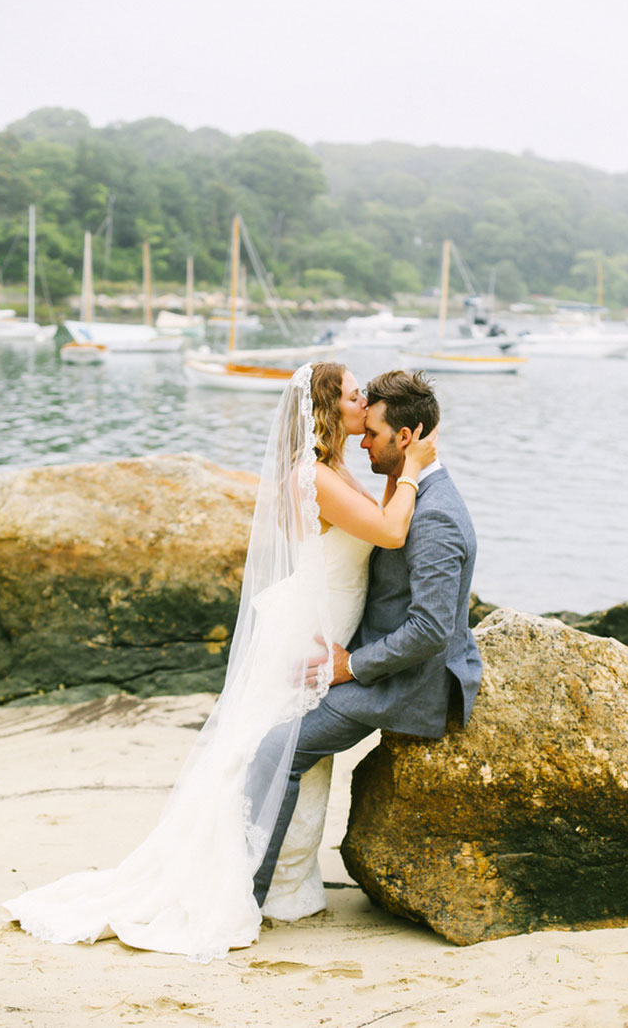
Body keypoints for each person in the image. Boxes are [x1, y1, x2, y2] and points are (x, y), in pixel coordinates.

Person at [2, 361, 436, 964]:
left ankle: (289, 884)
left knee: (299, 756)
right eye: (354, 393)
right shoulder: (313, 475)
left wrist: (399, 468)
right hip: (313, 632)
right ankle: (245, 880)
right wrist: (416, 469)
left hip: (329, 623)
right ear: (328, 410)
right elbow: (390, 534)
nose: (364, 400)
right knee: (270, 749)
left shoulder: (336, 469)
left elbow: (382, 522)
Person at [253, 368, 482, 908]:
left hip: (407, 679)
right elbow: (383, 527)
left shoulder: (435, 518)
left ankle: (247, 893)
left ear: (405, 438)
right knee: (275, 740)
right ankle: (265, 882)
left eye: (373, 434)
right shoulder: (414, 489)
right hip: (378, 657)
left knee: (276, 750)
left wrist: (349, 666)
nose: (363, 440)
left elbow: (429, 629)